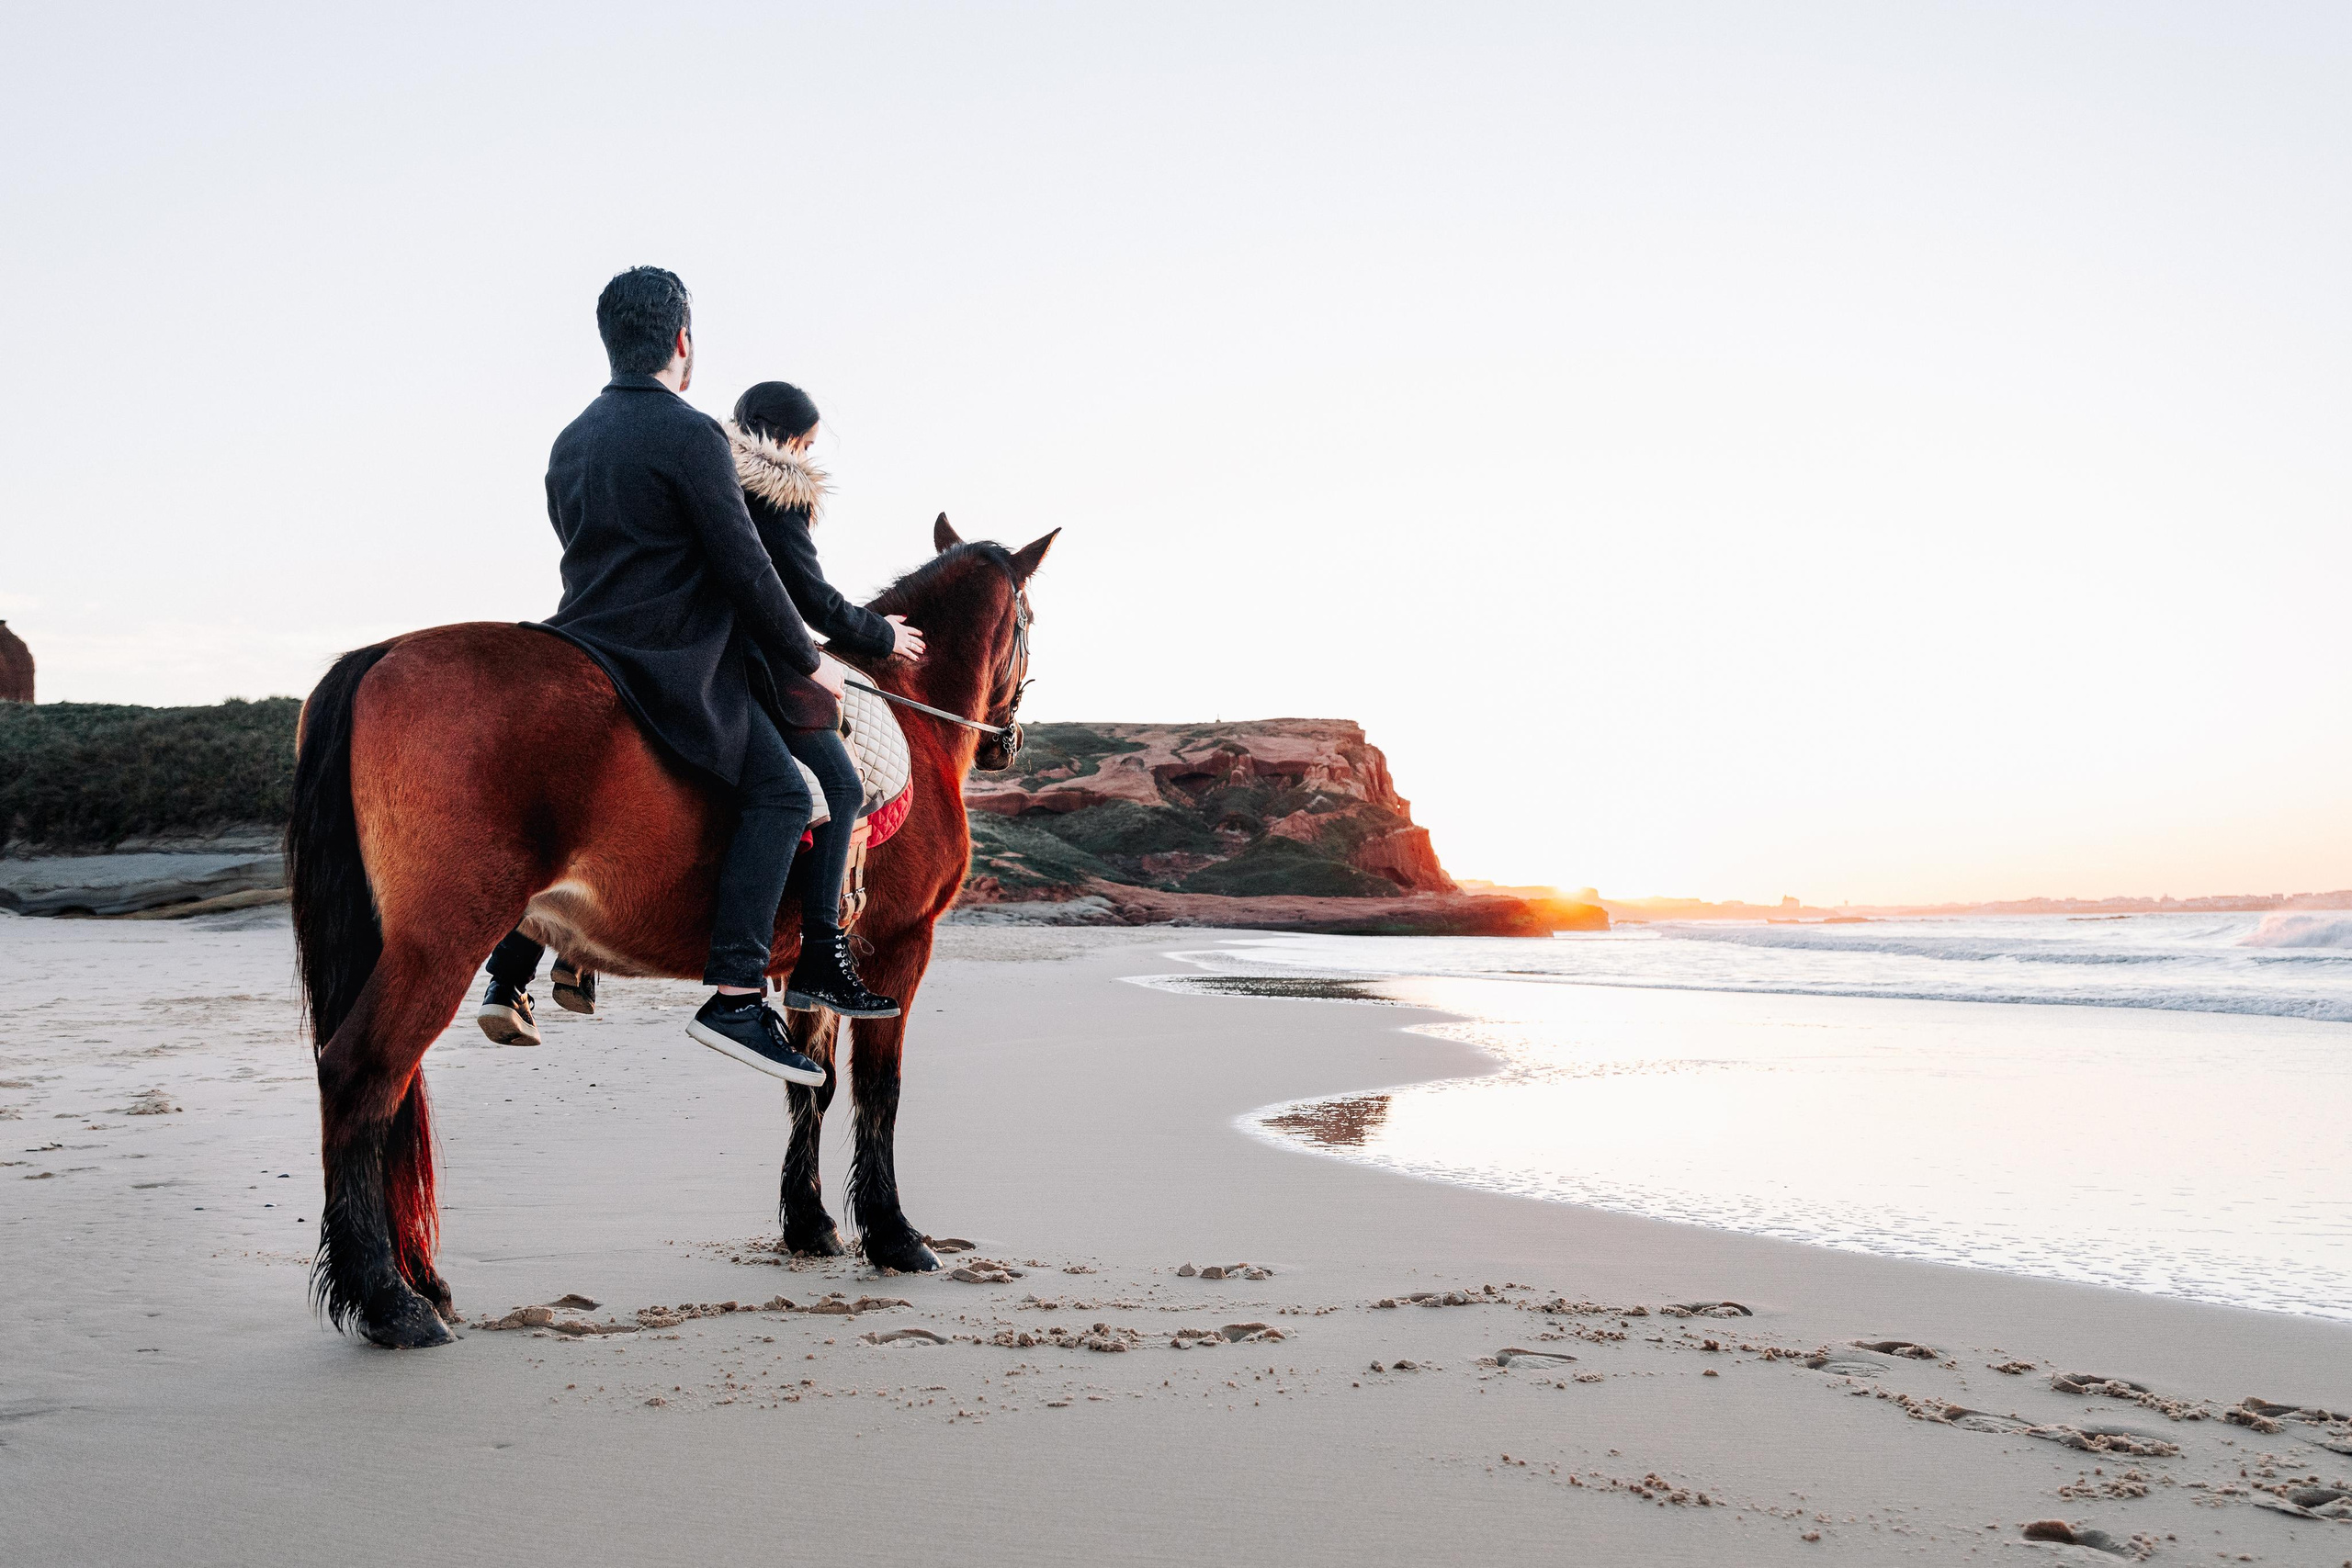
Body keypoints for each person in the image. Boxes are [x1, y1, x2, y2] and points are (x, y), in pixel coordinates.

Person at [472, 267, 897, 1081]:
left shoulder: (571, 437)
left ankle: (523, 968)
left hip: (582, 644)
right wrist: (814, 662)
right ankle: (738, 995)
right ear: (681, 343)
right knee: (783, 792)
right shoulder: (690, 434)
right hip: (669, 666)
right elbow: (747, 571)